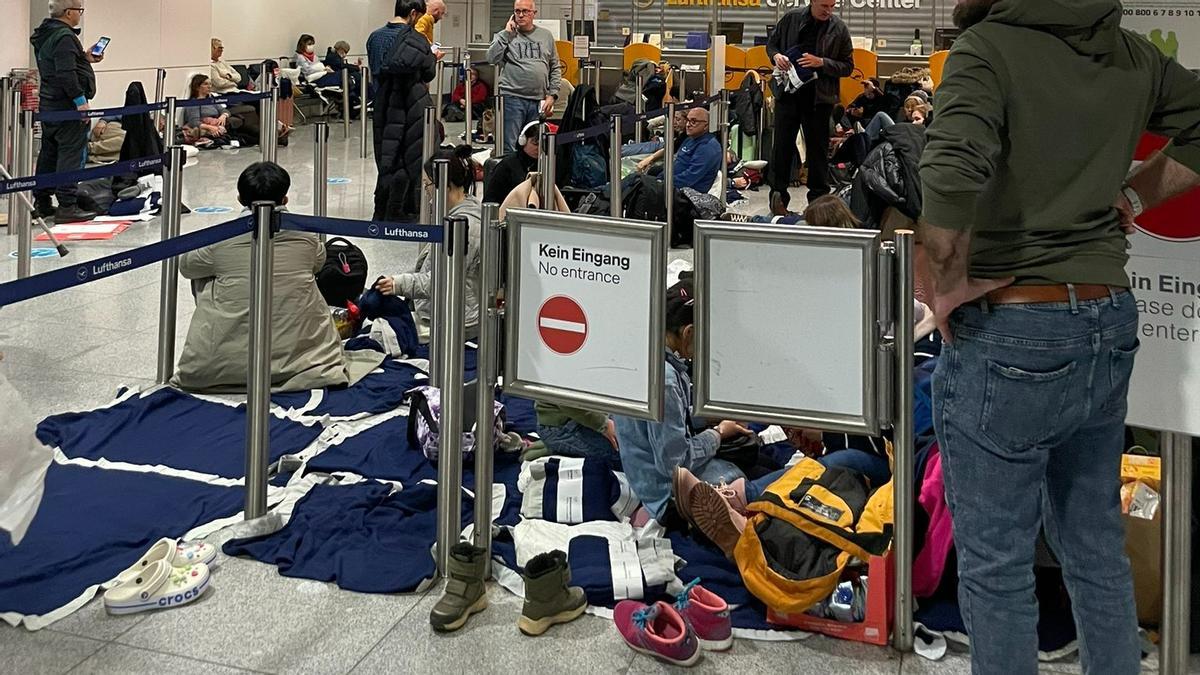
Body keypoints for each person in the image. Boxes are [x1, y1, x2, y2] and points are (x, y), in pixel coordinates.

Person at [918, 1, 1200, 673]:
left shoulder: (987, 48)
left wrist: (946, 283)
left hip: (1013, 328)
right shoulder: (1130, 53)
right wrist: (1130, 198)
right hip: (1108, 318)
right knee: (1095, 546)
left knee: (996, 566)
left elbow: (950, 173)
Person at [173, 163, 351, 393]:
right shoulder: (307, 240)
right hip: (306, 359)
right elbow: (318, 262)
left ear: (239, 198)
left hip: (225, 361)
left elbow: (186, 266)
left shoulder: (220, 241)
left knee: (204, 273)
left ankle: (222, 351)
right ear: (285, 199)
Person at [614, 279, 778, 526]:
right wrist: (718, 433)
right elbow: (674, 464)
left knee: (759, 459)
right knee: (754, 482)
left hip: (647, 473)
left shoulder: (645, 355)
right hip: (667, 495)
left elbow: (667, 422)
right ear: (688, 332)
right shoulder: (665, 380)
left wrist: (707, 416)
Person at [374, 146, 481, 340]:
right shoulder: (458, 215)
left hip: (456, 322)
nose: (427, 193)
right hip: (445, 311)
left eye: (428, 185)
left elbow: (445, 279)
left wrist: (397, 284)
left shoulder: (465, 226)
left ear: (446, 186)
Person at [766, 0, 853, 214]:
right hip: (788, 95)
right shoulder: (791, 19)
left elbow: (848, 66)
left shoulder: (839, 28)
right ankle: (778, 200)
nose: (828, 10)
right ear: (812, 2)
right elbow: (772, 45)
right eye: (824, 5)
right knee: (782, 149)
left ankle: (818, 205)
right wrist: (776, 56)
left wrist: (821, 62)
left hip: (819, 99)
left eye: (832, 6)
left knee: (818, 153)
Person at [30, 0, 103, 222]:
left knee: (49, 154)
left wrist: (84, 57)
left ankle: (42, 202)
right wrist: (80, 102)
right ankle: (67, 206)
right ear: (69, 12)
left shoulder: (46, 34)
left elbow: (56, 65)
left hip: (49, 104)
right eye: (79, 11)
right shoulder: (64, 37)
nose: (80, 15)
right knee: (69, 155)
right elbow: (66, 74)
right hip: (67, 107)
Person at [373, 0, 437, 221]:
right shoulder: (417, 40)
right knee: (410, 157)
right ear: (413, 13)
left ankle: (381, 207)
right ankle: (404, 208)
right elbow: (428, 74)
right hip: (410, 106)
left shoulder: (375, 37)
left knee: (385, 158)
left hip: (381, 105)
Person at [487, 0, 562, 154]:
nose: (521, 15)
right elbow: (491, 58)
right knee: (509, 146)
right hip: (512, 98)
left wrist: (552, 95)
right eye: (517, 11)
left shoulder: (545, 36)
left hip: (537, 100)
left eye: (525, 11)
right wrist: (506, 34)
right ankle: (511, 177)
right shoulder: (505, 35)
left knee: (533, 146)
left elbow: (555, 66)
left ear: (534, 13)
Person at [483, 120, 543, 204]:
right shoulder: (507, 165)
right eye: (535, 144)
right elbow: (490, 199)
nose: (539, 148)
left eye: (543, 145)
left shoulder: (547, 165)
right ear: (523, 141)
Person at [181, 75, 233, 147]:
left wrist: (223, 115)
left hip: (217, 125)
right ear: (197, 87)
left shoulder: (211, 99)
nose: (209, 86)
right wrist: (211, 128)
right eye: (205, 84)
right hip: (205, 128)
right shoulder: (194, 103)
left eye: (210, 84)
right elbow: (194, 122)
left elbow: (224, 110)